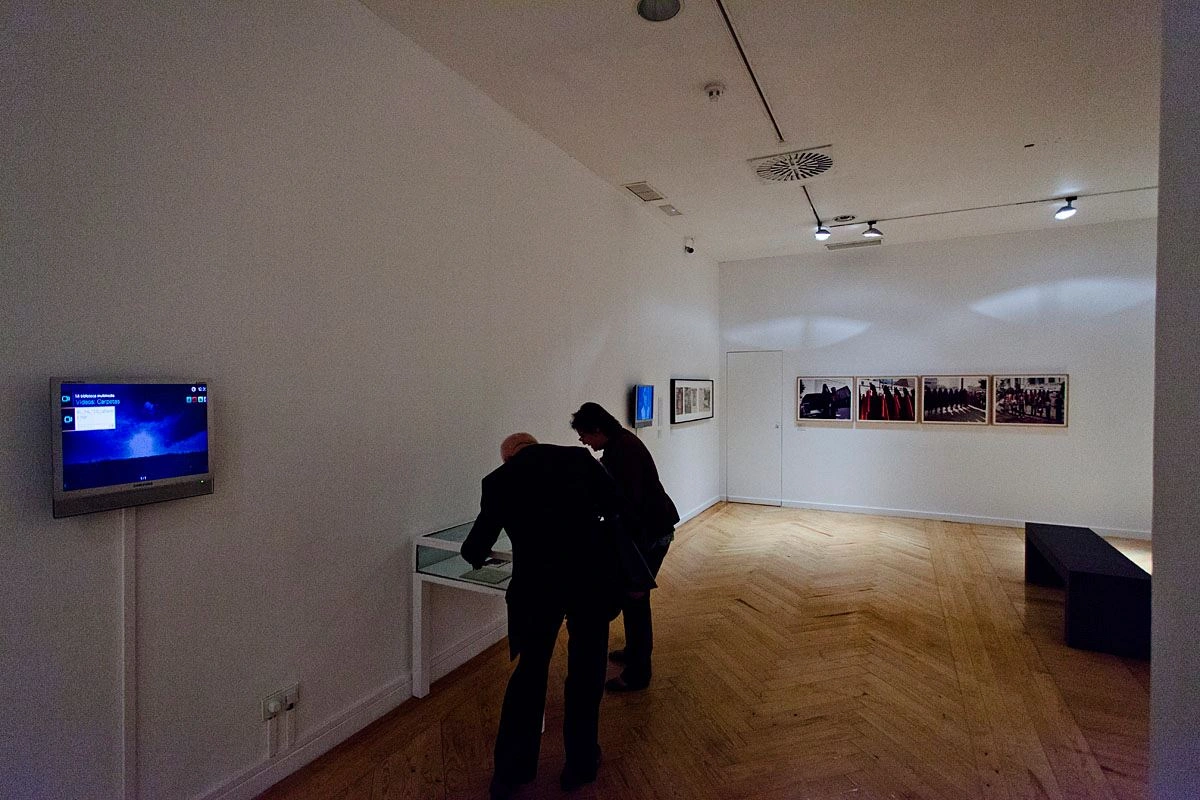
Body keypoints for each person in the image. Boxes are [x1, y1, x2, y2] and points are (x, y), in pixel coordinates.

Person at [461, 432, 634, 799]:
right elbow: (617, 503)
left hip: (535, 591)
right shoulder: (579, 459)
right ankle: (581, 763)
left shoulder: (498, 480)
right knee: (587, 672)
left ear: (508, 457)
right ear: (535, 444)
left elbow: (476, 545)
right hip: (588, 582)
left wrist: (477, 557)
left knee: (529, 676)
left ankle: (511, 774)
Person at [570, 402, 679, 692]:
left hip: (648, 535)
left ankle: (638, 674)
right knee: (634, 601)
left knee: (636, 599)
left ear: (597, 429)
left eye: (584, 434)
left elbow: (627, 504)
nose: (582, 440)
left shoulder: (622, 453)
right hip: (652, 530)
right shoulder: (622, 444)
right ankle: (634, 653)